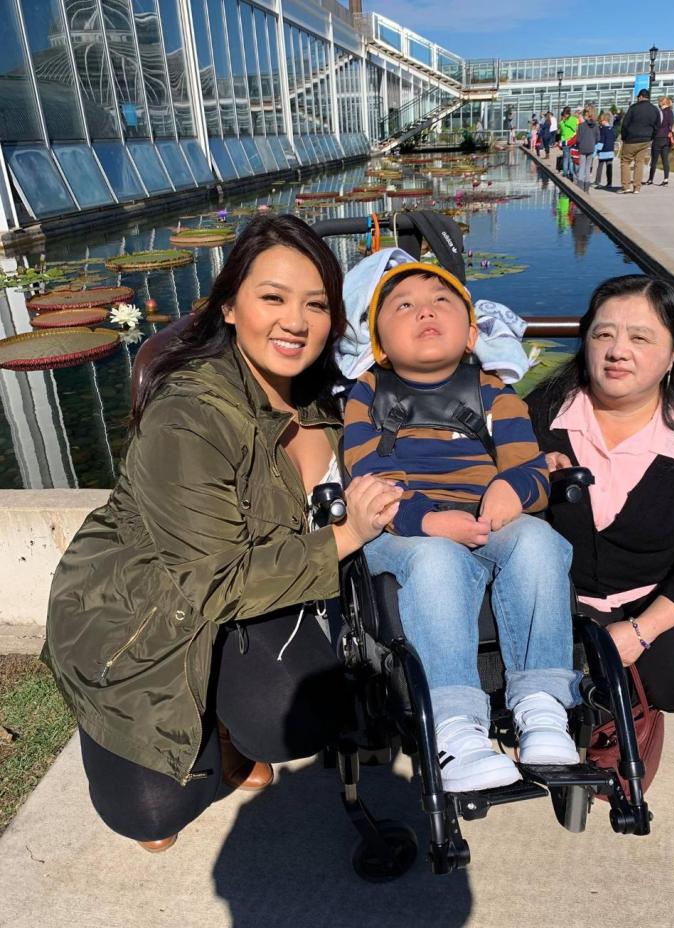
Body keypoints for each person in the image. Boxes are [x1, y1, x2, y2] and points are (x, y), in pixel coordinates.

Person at [41, 215, 401, 852]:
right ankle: (182, 726)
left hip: (244, 591)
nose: (296, 321)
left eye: (316, 304)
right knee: (153, 813)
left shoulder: (329, 398)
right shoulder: (188, 416)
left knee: (299, 716)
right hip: (148, 612)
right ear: (230, 307)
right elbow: (213, 580)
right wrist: (346, 538)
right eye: (273, 297)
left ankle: (229, 727)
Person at [343, 263, 581, 793]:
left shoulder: (494, 392)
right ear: (380, 344)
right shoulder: (367, 393)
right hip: (401, 527)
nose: (425, 311)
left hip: (487, 517)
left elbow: (528, 467)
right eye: (404, 305)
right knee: (437, 557)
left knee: (540, 540)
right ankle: (454, 726)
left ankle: (541, 704)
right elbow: (367, 476)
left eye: (440, 301)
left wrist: (512, 489)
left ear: (471, 333)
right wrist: (426, 519)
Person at [526, 275, 674, 715]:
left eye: (640, 338)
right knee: (541, 693)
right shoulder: (535, 419)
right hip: (555, 598)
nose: (617, 351)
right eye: (603, 334)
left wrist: (641, 631)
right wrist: (523, 479)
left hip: (649, 595)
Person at [619, 88, 660, 194]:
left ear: (641, 97)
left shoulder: (633, 108)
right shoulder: (654, 109)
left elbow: (625, 124)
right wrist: (651, 137)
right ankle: (637, 187)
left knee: (625, 161)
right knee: (640, 162)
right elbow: (657, 126)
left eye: (638, 97)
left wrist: (624, 137)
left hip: (631, 139)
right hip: (645, 140)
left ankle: (626, 186)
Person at [647, 96, 674, 186]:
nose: (658, 103)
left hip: (658, 137)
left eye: (659, 101)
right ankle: (666, 179)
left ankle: (650, 179)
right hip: (666, 138)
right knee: (665, 160)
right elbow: (670, 125)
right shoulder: (671, 112)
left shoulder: (660, 112)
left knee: (654, 160)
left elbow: (657, 125)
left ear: (662, 102)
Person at [575, 105, 600, 192]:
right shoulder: (596, 126)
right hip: (591, 148)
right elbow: (598, 138)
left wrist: (579, 144)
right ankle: (587, 189)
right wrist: (593, 142)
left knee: (582, 167)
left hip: (582, 148)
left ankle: (580, 188)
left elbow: (578, 139)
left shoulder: (581, 125)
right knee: (588, 168)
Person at [595, 111, 616, 189]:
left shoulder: (602, 129)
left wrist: (597, 150)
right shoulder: (612, 129)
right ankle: (609, 182)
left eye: (601, 121)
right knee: (609, 167)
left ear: (604, 120)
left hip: (603, 151)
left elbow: (601, 141)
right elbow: (613, 138)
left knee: (600, 166)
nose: (600, 122)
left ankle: (598, 181)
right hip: (610, 151)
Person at [559, 106, 579, 180]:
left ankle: (565, 173)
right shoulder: (574, 119)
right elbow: (577, 129)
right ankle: (571, 173)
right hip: (572, 141)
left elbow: (561, 132)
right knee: (571, 159)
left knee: (565, 158)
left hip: (565, 141)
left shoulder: (561, 122)